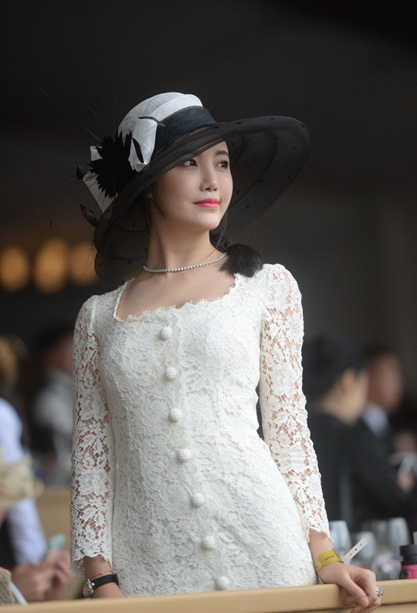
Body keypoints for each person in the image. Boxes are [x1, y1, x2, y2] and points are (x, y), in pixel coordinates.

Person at [71, 92, 381, 610]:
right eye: (188, 163)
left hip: (265, 544)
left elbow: (289, 430)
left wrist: (325, 556)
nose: (212, 180)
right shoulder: (97, 318)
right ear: (147, 187)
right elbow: (90, 458)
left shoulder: (267, 287)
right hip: (149, 563)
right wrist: (101, 580)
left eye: (222, 162)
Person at [303, 334, 368, 529]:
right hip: (352, 547)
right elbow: (390, 500)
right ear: (348, 380)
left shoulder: (295, 435)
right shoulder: (355, 435)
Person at [29, 326, 74, 484]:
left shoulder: (70, 390)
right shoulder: (50, 397)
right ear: (51, 355)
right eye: (72, 348)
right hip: (56, 483)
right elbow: (72, 435)